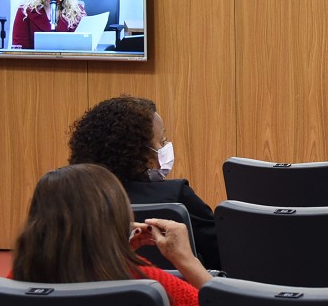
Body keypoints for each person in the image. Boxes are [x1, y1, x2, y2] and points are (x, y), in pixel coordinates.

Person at [10, 163, 210, 306]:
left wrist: (114, 257)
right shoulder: (159, 290)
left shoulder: (11, 288)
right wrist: (187, 261)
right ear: (118, 217)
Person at [67, 95, 221, 271]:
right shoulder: (177, 196)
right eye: (162, 141)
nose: (166, 146)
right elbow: (222, 255)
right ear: (139, 152)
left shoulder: (70, 197)